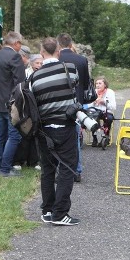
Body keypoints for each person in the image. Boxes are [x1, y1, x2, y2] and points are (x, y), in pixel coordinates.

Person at [29, 37, 81, 226]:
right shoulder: (70, 69)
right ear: (58, 51)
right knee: (67, 169)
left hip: (44, 130)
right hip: (65, 126)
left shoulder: (34, 77)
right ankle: (60, 213)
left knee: (47, 170)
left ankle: (48, 210)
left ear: (42, 53)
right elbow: (75, 90)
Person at [0, 31, 26, 177]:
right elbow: (21, 84)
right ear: (16, 43)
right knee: (14, 136)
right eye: (20, 44)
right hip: (11, 104)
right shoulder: (15, 57)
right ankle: (5, 169)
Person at [57, 33, 90, 182]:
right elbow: (86, 84)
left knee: (57, 136)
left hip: (58, 103)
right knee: (75, 137)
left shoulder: (57, 59)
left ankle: (60, 169)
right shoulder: (82, 60)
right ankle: (76, 170)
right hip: (77, 102)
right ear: (71, 44)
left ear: (59, 45)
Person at [90, 76, 117, 147]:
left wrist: (104, 102)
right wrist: (93, 102)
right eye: (96, 84)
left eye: (100, 83)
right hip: (95, 112)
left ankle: (106, 136)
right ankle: (94, 138)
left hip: (106, 112)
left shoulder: (110, 92)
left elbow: (114, 107)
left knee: (109, 118)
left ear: (105, 84)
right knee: (92, 117)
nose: (98, 85)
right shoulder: (93, 92)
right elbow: (88, 105)